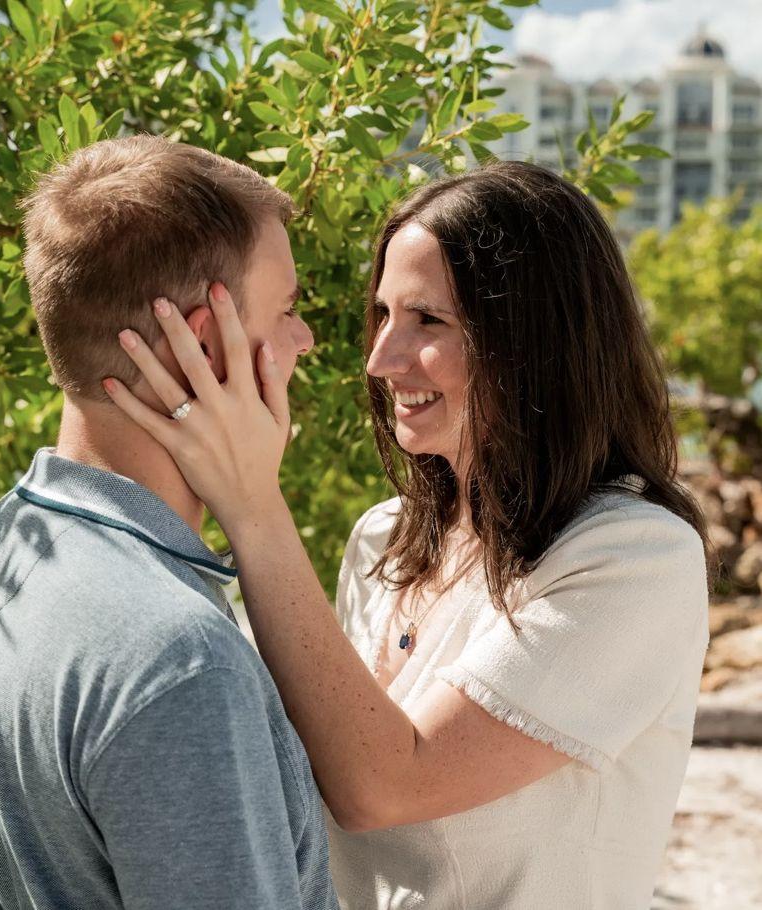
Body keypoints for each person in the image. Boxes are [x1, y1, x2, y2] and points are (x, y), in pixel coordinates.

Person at [104, 161, 712, 910]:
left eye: (428, 321)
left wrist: (252, 506)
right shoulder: (383, 539)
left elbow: (382, 787)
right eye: (383, 315)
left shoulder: (636, 560)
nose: (381, 360)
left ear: (536, 340)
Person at [0, 135, 339, 910]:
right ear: (204, 345)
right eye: (286, 310)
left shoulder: (1, 550)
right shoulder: (180, 659)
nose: (304, 338)